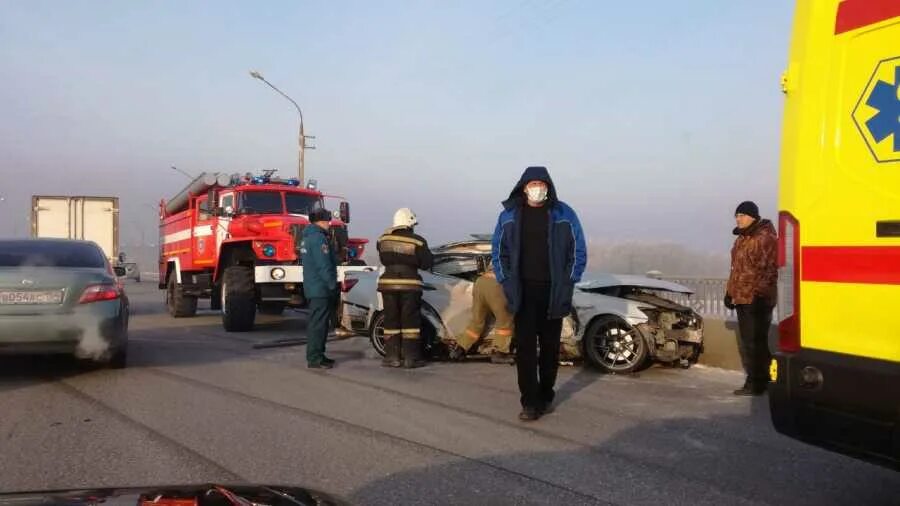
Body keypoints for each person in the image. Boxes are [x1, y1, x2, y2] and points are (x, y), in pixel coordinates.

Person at [492, 166, 586, 421]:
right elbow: (499, 253)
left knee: (549, 347)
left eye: (541, 184)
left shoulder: (564, 213)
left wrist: (569, 281)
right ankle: (529, 402)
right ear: (523, 187)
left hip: (553, 291)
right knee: (524, 349)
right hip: (522, 292)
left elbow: (578, 252)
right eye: (532, 184)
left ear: (548, 187)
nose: (537, 189)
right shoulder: (509, 215)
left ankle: (546, 394)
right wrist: (506, 280)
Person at [724, 201, 778, 396]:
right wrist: (730, 292)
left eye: (742, 215)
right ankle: (767, 379)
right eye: (736, 215)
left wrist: (759, 296)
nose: (738, 218)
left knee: (755, 342)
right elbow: (736, 271)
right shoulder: (741, 239)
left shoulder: (765, 238)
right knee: (754, 342)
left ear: (753, 217)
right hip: (743, 298)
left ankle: (757, 382)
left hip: (757, 299)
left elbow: (770, 271)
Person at [377, 208, 433, 369]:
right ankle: (411, 358)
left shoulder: (383, 239)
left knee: (391, 319)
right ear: (409, 222)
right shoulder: (418, 241)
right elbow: (427, 263)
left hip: (388, 284)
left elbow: (382, 256)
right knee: (410, 321)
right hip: (410, 284)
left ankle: (392, 357)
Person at [450, 258, 515, 364]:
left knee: (477, 321)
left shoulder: (500, 248)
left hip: (481, 282)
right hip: (496, 284)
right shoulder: (516, 249)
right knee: (505, 321)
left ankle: (460, 348)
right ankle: (499, 353)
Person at [301, 208, 339, 369]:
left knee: (319, 323)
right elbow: (324, 265)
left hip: (313, 286)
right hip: (320, 289)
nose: (329, 224)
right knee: (318, 324)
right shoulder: (319, 239)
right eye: (327, 221)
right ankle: (315, 358)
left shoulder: (308, 237)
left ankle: (319, 355)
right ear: (322, 221)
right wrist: (332, 285)